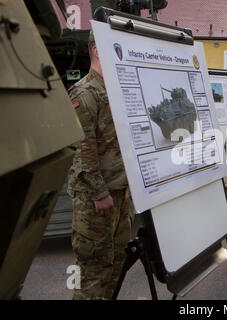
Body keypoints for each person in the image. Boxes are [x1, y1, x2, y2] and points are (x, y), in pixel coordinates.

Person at [67, 31, 131, 300]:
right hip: (97, 199)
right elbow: (83, 149)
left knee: (116, 264)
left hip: (120, 192)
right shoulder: (85, 92)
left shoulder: (115, 91)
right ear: (96, 50)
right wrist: (99, 193)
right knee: (93, 271)